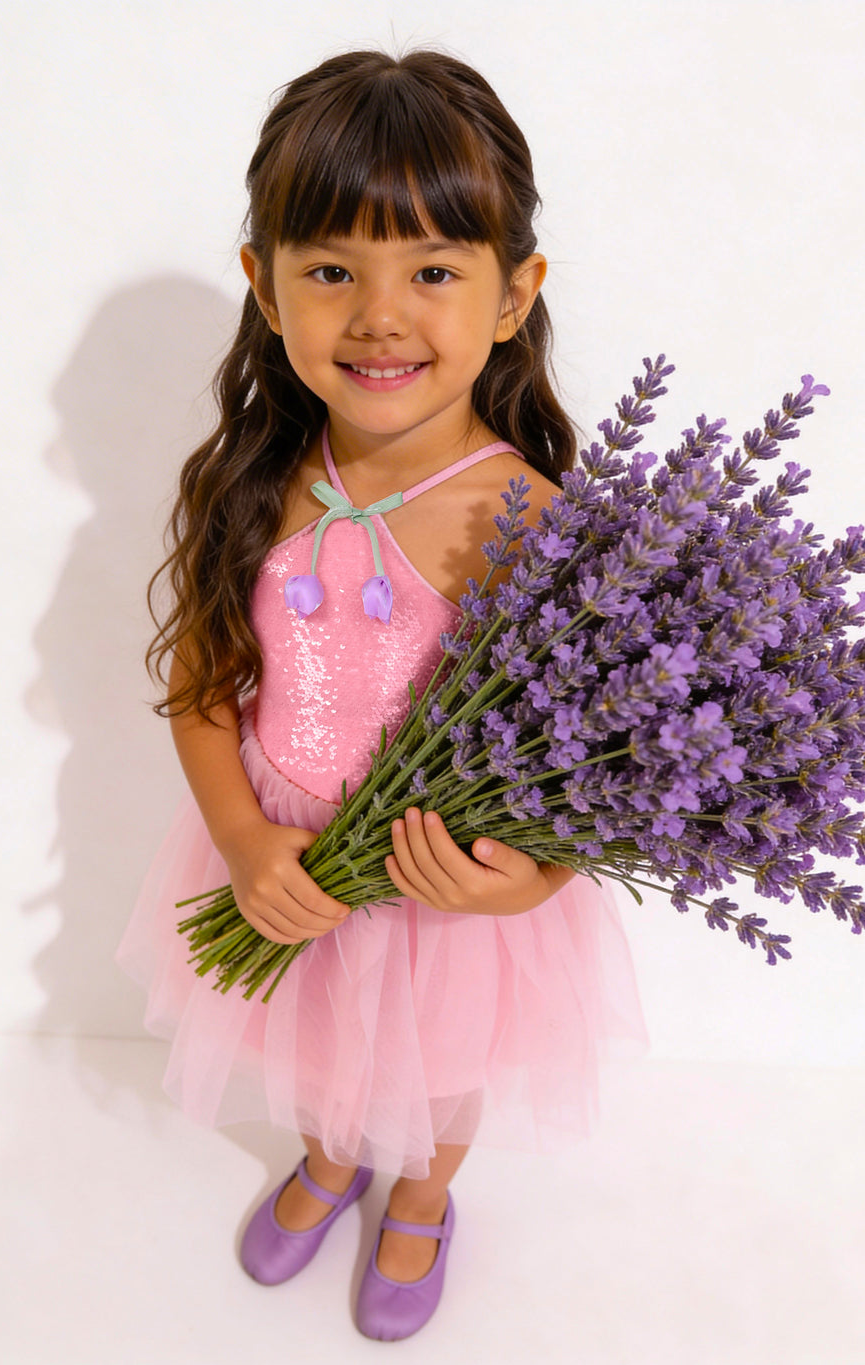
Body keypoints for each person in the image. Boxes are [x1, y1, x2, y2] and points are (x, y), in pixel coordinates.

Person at [117, 48, 646, 1341]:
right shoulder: (254, 476)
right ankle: (331, 1150)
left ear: (516, 291)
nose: (380, 313)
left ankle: (420, 1193)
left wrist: (523, 878)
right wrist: (245, 842)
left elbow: (597, 754)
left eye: (433, 271)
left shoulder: (526, 515)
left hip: (443, 889)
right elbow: (199, 684)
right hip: (292, 855)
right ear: (265, 283)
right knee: (315, 1042)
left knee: (437, 1063)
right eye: (332, 270)